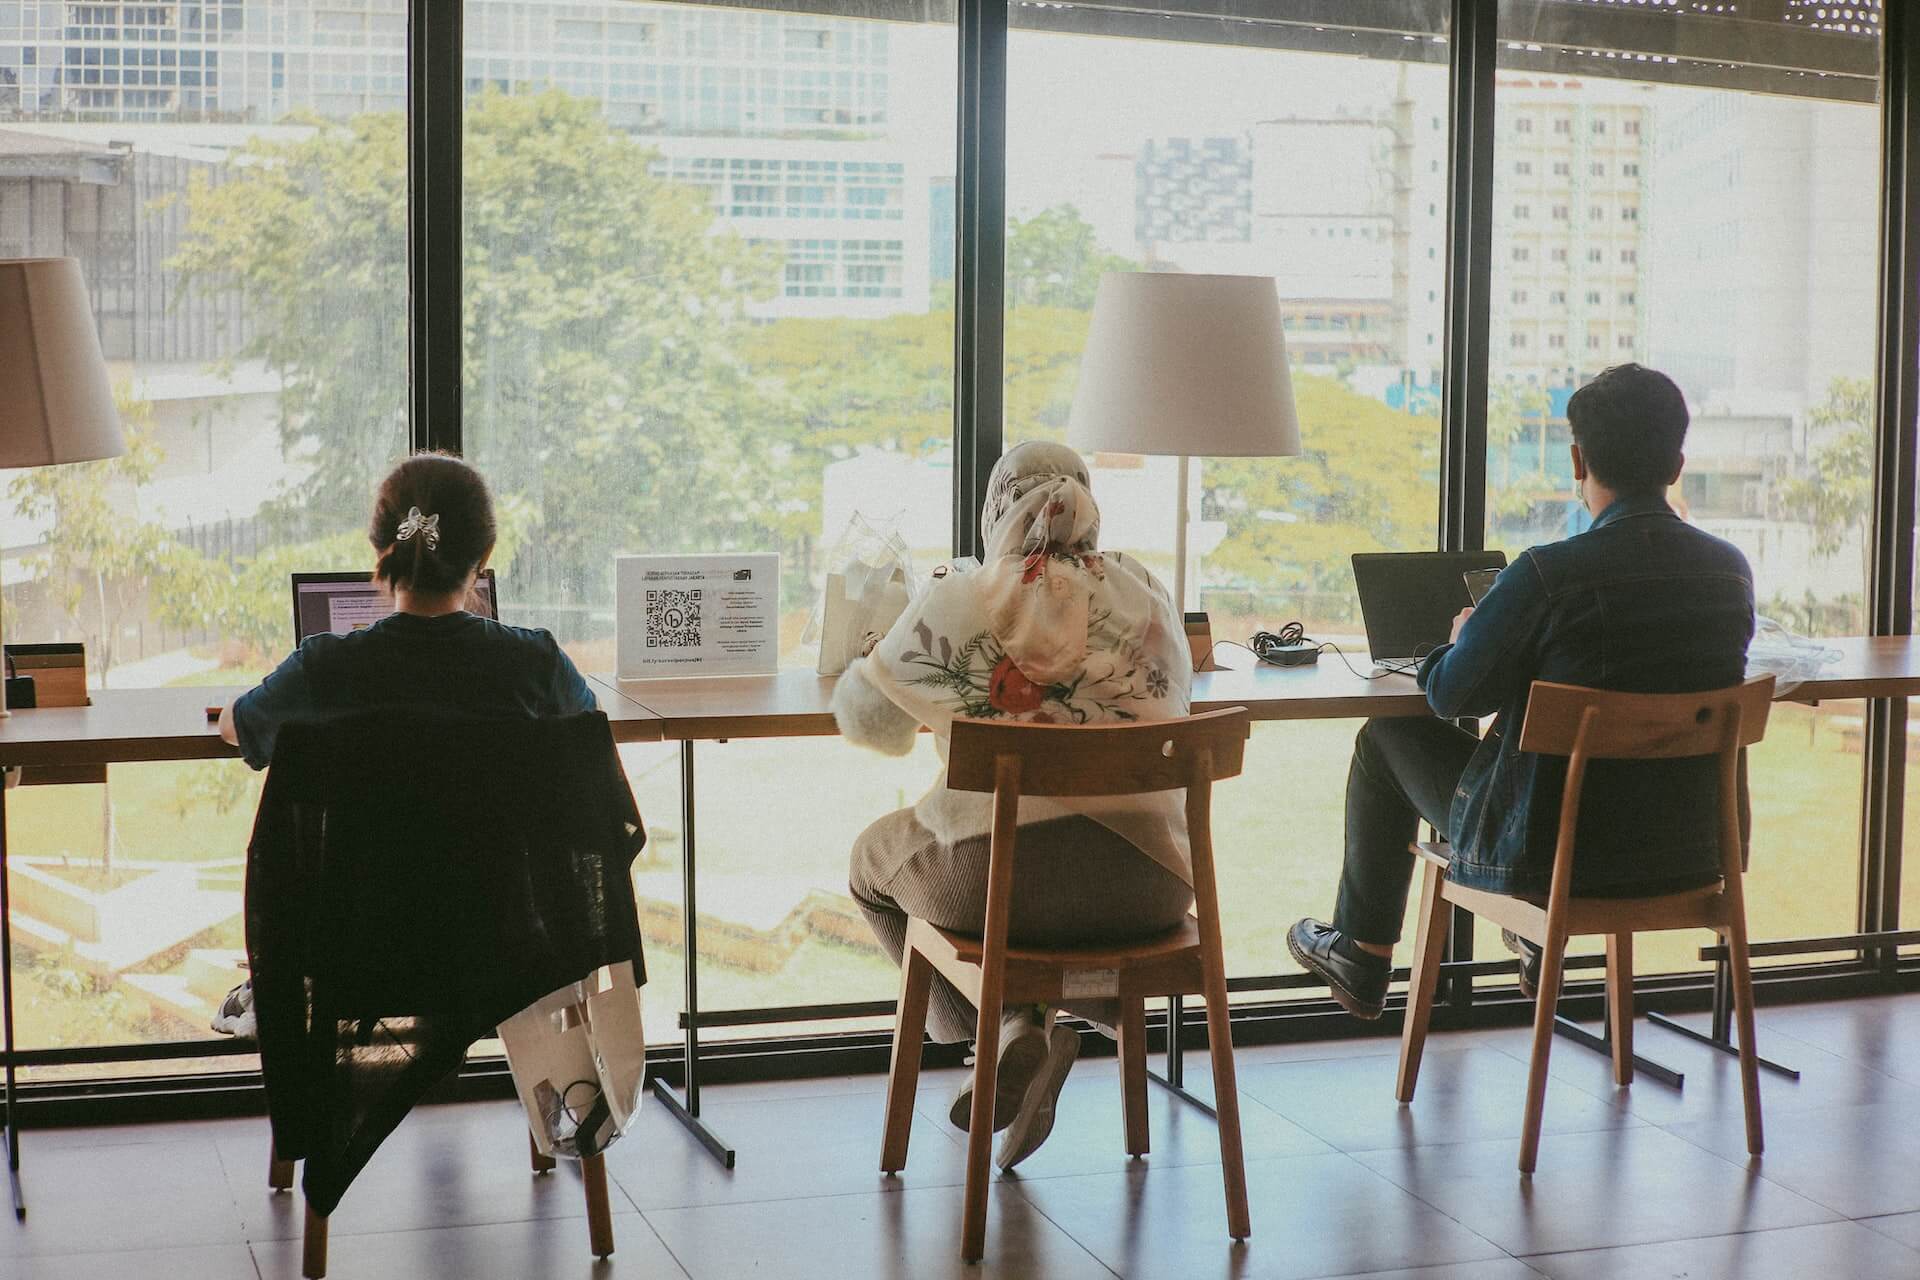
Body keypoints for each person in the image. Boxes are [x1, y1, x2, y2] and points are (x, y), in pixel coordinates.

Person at [1288, 364, 1756, 1018]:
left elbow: (1456, 697)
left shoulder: (1548, 574)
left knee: (1385, 737)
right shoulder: (1730, 575)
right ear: (1677, 465)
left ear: (1576, 459)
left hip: (1555, 864)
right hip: (1695, 853)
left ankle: (1362, 954)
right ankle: (1520, 943)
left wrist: (1458, 637)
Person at [834, 441, 1192, 1169]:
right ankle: (1049, 1011)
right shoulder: (1147, 589)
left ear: (995, 513)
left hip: (998, 887)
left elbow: (870, 724)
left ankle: (1002, 1024)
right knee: (1050, 878)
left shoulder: (962, 596)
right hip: (1150, 888)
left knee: (870, 864)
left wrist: (871, 655)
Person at [210, 452, 598, 1036]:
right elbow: (585, 733)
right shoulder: (533, 661)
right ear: (484, 556)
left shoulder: (328, 665)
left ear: (381, 550)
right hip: (502, 941)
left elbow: (241, 726)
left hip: (359, 944)